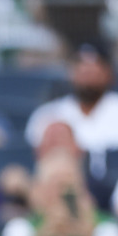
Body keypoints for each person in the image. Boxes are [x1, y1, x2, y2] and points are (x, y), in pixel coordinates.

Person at [25, 42, 118, 211]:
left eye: (94, 67)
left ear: (108, 72)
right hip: (58, 200)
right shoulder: (47, 114)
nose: (87, 73)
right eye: (81, 67)